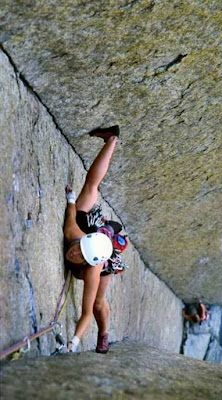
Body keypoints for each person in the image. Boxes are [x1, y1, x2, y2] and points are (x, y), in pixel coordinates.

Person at [63, 126, 128, 354]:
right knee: (90, 186)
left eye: (79, 257)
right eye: (77, 250)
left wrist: (75, 341)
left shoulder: (94, 269)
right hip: (93, 235)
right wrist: (71, 199)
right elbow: (71, 215)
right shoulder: (74, 234)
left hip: (102, 254)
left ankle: (104, 335)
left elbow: (87, 312)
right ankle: (112, 140)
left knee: (99, 302)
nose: (73, 254)